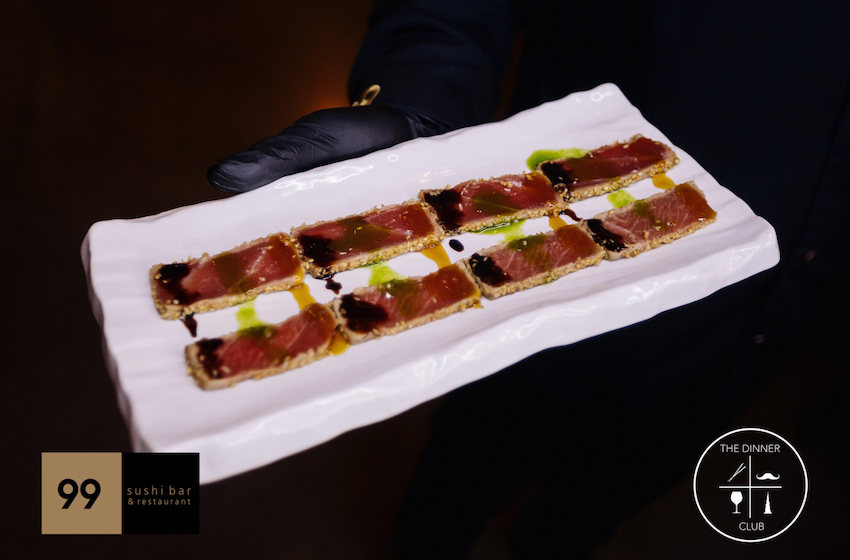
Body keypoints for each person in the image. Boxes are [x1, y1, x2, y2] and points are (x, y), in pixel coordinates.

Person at [208, 1, 849, 557]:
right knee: (458, 486)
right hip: (541, 297)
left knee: (588, 514)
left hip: (749, 343)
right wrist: (421, 101)